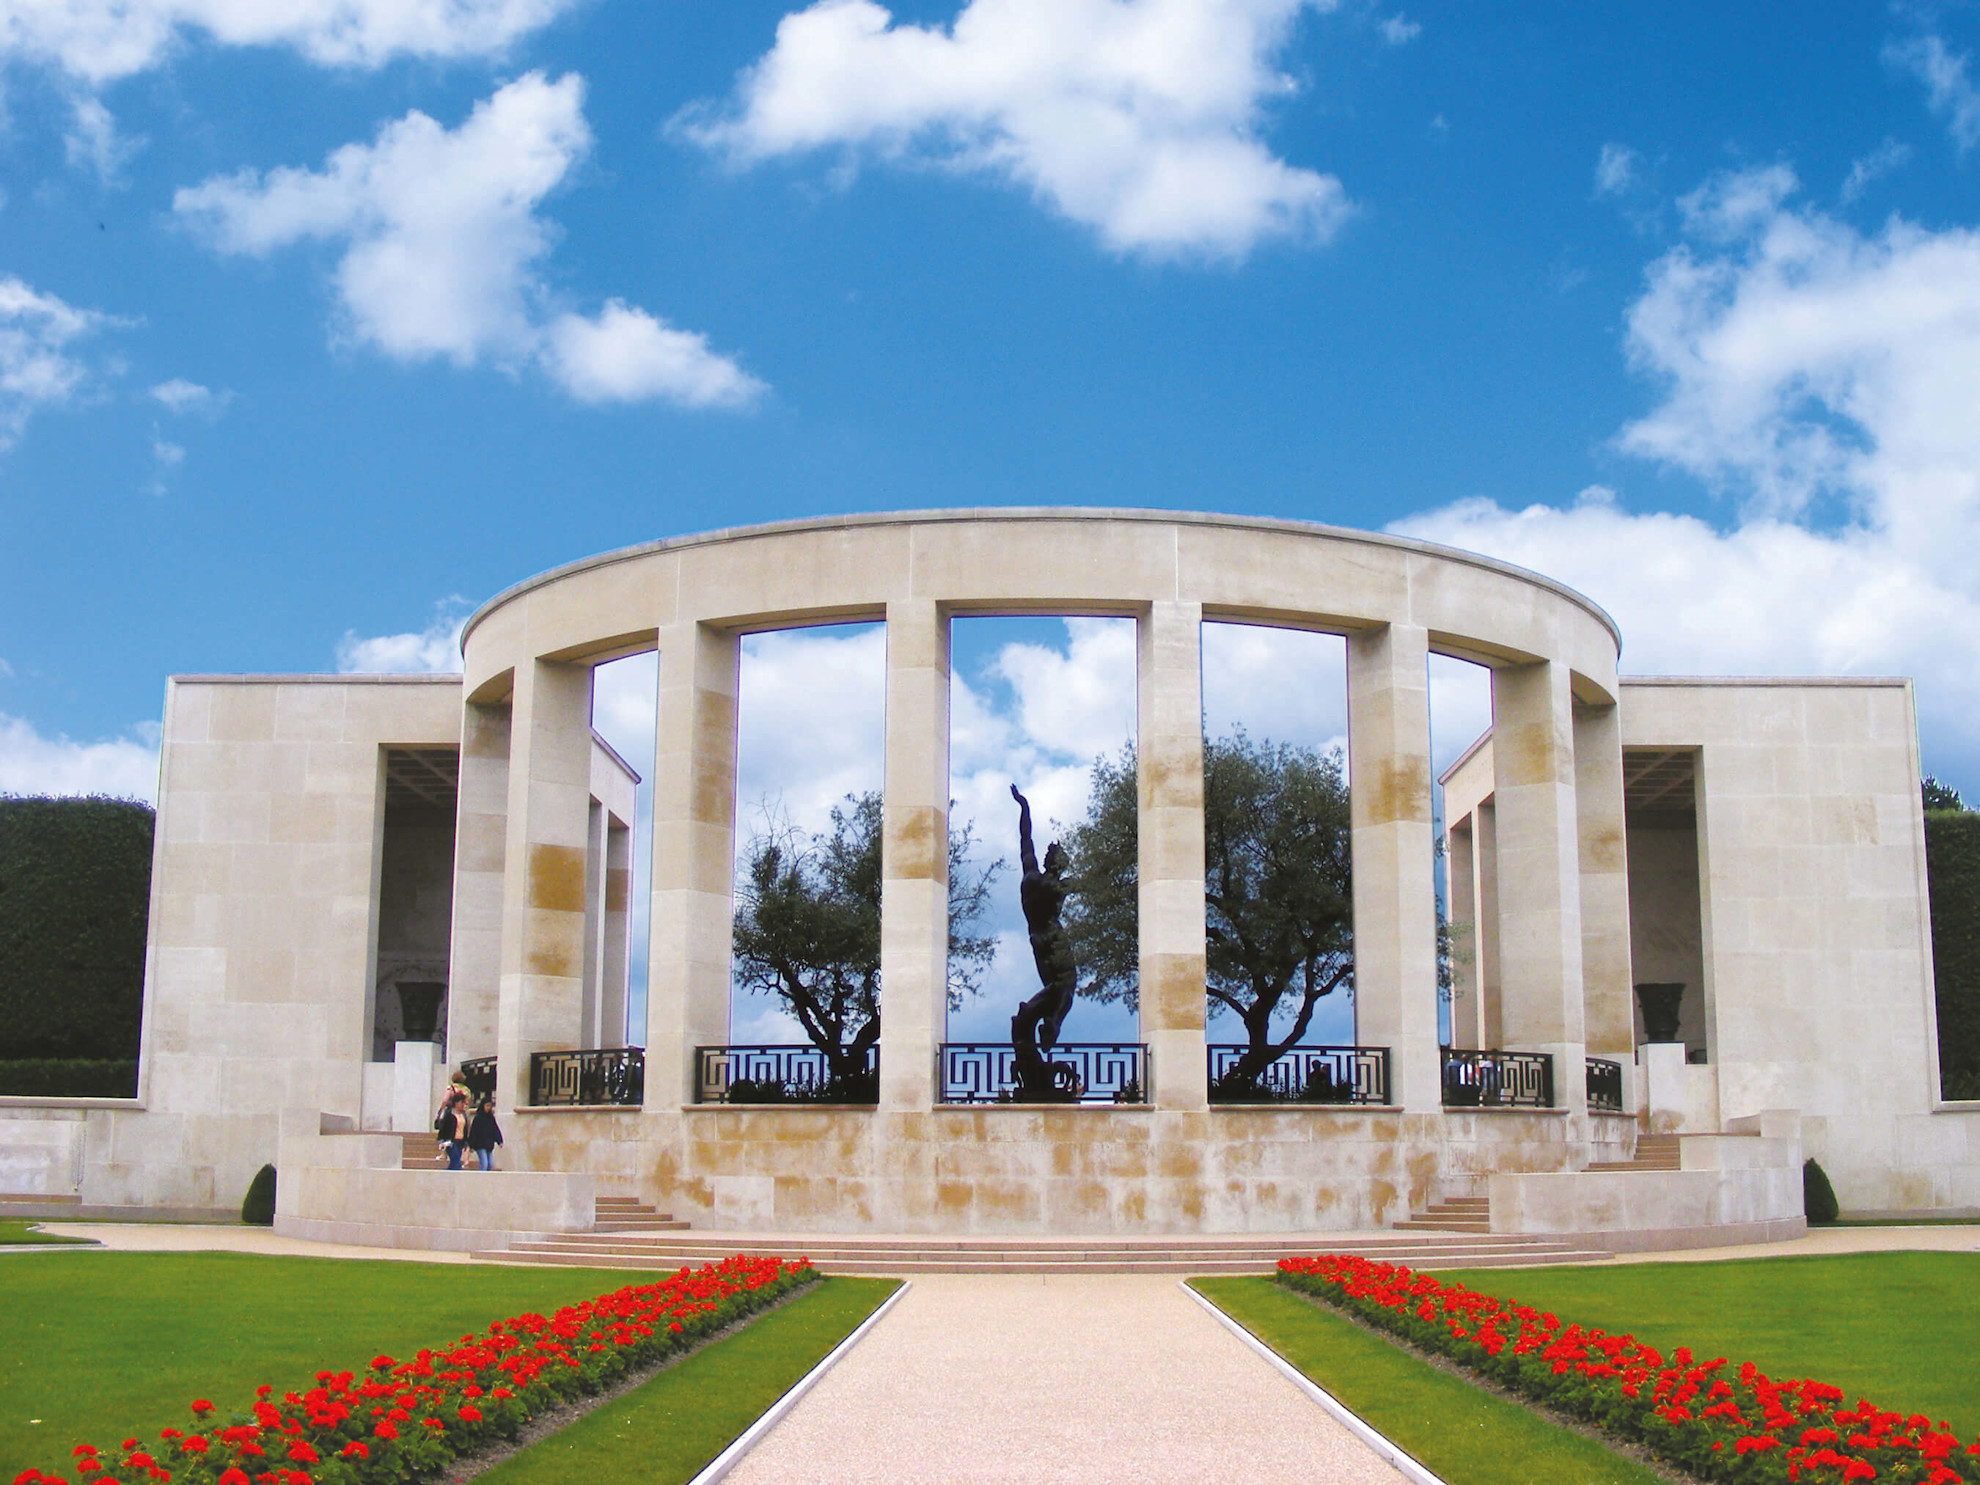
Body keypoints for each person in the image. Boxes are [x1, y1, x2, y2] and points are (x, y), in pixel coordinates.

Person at [466, 1094, 503, 1172]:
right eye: (487, 1105)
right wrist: (471, 1145)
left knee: (490, 1164)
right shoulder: (478, 1117)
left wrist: (499, 1140)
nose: (488, 1108)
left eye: (490, 1106)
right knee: (484, 1164)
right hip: (480, 1145)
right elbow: (474, 1131)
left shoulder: (490, 1118)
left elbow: (495, 1129)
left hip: (488, 1144)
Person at [434, 1089, 468, 1171]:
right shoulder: (449, 1114)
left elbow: (465, 1128)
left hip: (460, 1141)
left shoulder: (463, 1115)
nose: (463, 1105)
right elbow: (443, 1127)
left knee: (454, 1163)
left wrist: (466, 1142)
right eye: (461, 1102)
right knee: (456, 1162)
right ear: (456, 1103)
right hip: (451, 1141)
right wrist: (443, 1140)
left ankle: (445, 1177)